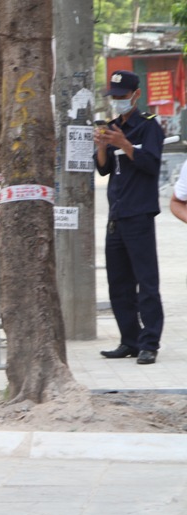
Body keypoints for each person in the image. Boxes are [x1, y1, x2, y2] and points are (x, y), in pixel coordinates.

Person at [94, 70, 165, 365]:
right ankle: (129, 340)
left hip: (139, 214)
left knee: (146, 282)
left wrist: (124, 145)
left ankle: (149, 343)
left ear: (136, 94)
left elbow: (150, 163)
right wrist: (101, 145)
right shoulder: (112, 127)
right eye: (114, 97)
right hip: (117, 214)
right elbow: (103, 169)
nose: (118, 102)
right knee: (119, 283)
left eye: (122, 96)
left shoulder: (150, 126)